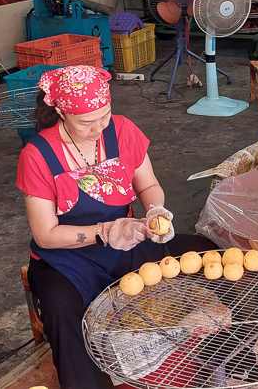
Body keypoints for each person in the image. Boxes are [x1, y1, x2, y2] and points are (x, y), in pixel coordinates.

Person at [16, 66, 216, 389]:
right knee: (62, 313)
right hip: (66, 259)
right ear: (60, 111)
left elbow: (148, 185)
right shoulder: (37, 155)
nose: (98, 127)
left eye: (104, 115)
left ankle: (216, 363)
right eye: (86, 121)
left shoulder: (121, 131)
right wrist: (104, 232)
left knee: (209, 253)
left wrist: (154, 211)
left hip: (128, 239)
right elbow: (45, 234)